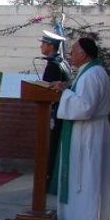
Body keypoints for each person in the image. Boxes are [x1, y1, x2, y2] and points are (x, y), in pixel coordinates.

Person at [49, 37, 110, 220]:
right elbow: (83, 96)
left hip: (88, 133)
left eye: (74, 51)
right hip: (91, 131)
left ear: (84, 53)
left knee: (84, 179)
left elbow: (85, 107)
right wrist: (67, 86)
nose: (70, 54)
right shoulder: (91, 71)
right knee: (88, 178)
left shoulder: (91, 74)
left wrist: (64, 92)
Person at [39, 30, 70, 189]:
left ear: (50, 46)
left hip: (54, 113)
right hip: (61, 111)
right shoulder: (63, 62)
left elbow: (47, 90)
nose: (40, 46)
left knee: (51, 148)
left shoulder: (53, 65)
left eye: (43, 44)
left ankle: (49, 181)